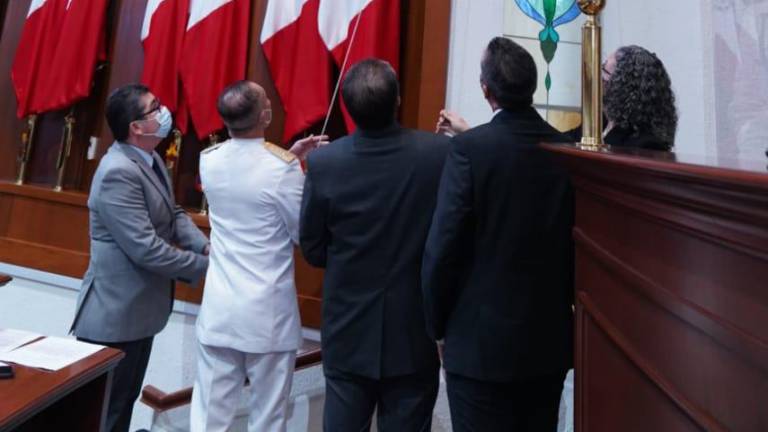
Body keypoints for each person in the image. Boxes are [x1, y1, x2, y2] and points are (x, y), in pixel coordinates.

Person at [422, 37, 574, 431]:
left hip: (478, 346)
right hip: (546, 343)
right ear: (533, 86)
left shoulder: (469, 151)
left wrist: (437, 326)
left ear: (486, 90)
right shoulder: (567, 151)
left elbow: (442, 248)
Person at [300, 59, 448, 431]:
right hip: (413, 333)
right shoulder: (438, 154)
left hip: (348, 331)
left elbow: (314, 249)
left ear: (347, 107)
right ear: (397, 100)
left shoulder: (324, 163)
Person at [70, 84, 210, 432]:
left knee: (123, 404)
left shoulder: (151, 159)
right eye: (155, 108)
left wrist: (205, 247)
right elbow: (146, 248)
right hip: (114, 317)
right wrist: (212, 267)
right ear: (136, 127)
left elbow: (174, 213)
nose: (164, 112)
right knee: (107, 414)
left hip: (140, 313)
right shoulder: (118, 171)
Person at [191, 80, 326, 432]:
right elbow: (300, 232)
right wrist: (293, 168)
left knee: (209, 418)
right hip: (267, 313)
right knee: (267, 418)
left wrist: (289, 160)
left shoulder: (209, 159)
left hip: (221, 309)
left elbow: (248, 179)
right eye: (267, 100)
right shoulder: (281, 169)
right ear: (265, 115)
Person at [563, 45, 678, 151]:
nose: (598, 76)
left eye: (604, 70)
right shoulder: (602, 121)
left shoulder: (646, 144)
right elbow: (564, 141)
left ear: (622, 86)